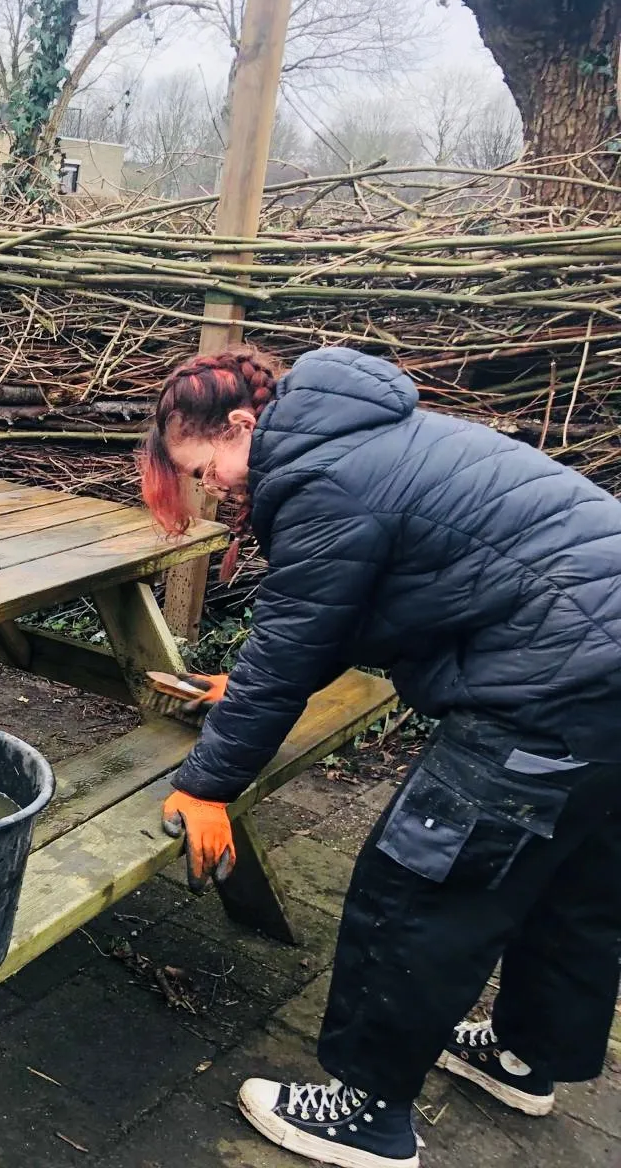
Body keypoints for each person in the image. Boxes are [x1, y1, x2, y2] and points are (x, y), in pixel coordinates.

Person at [141, 345, 621, 1168]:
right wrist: (241, 688)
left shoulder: (325, 483)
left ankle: (365, 1114)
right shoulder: (369, 442)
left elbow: (291, 645)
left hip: (553, 687)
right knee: (569, 882)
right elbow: (338, 616)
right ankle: (521, 1059)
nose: (211, 485)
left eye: (205, 463)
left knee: (419, 886)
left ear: (244, 425)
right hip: (601, 676)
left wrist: (208, 785)